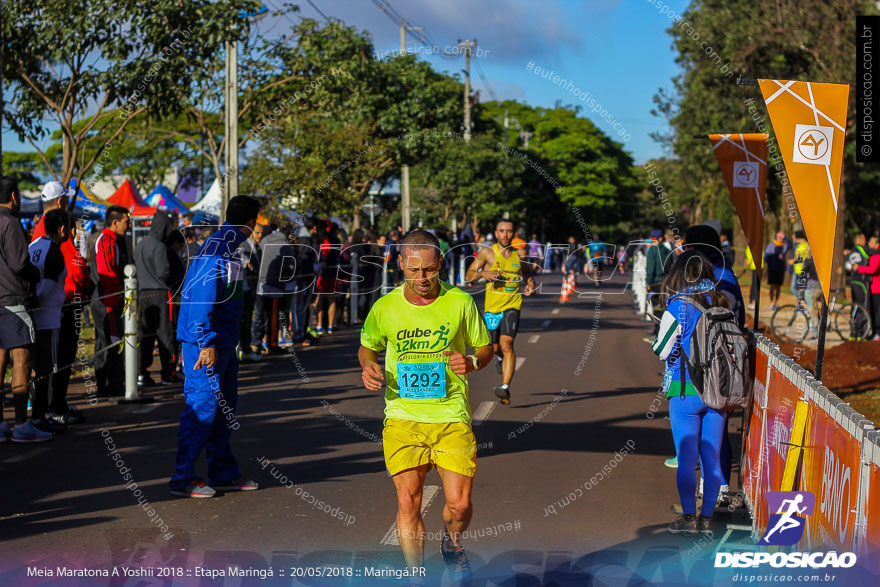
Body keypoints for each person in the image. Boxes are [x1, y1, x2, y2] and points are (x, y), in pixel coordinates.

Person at [358, 229, 493, 579]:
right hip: (403, 415)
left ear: (441, 264)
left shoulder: (460, 302)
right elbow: (368, 345)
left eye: (429, 270)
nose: (422, 278)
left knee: (459, 505)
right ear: (401, 263)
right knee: (408, 501)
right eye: (414, 270)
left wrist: (473, 362)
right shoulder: (385, 306)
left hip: (450, 415)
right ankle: (416, 575)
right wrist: (367, 364)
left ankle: (452, 541)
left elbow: (485, 348)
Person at [169, 195, 262, 498]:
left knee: (224, 412)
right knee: (202, 409)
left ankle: (222, 471)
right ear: (250, 222)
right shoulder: (218, 249)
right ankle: (182, 477)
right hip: (205, 344)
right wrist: (206, 341)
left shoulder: (230, 248)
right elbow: (201, 301)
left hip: (224, 344)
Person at [652, 249, 730, 536]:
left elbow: (662, 351)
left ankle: (687, 517)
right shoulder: (722, 302)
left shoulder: (677, 306)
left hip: (684, 389)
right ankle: (708, 518)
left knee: (686, 458)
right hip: (719, 390)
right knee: (712, 456)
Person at [31, 181, 90, 425]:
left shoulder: (39, 230)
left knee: (49, 361)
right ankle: (54, 409)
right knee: (58, 359)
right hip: (62, 304)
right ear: (60, 202)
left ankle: (52, 407)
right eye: (65, 200)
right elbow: (76, 270)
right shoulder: (57, 232)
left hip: (55, 304)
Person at [465, 220, 536, 405]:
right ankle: (498, 358)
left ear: (513, 234)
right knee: (495, 348)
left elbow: (527, 273)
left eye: (509, 231)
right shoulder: (487, 253)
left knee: (507, 345)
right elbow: (468, 275)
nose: (505, 235)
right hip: (492, 308)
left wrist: (530, 284)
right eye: (502, 231)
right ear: (496, 234)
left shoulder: (520, 255)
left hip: (512, 304)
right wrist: (483, 274)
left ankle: (504, 388)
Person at [0, 176, 47, 443]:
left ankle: (2, 425)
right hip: (13, 300)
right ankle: (20, 425)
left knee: (0, 362)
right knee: (22, 361)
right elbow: (20, 264)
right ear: (15, 197)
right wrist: (35, 274)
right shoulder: (11, 222)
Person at [28, 209, 71, 434]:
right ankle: (39, 416)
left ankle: (38, 414)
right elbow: (45, 288)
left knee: (37, 367)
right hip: (48, 315)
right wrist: (38, 302)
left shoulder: (33, 246)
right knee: (46, 369)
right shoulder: (55, 251)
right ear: (62, 228)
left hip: (33, 314)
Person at [135, 211, 184, 386]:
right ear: (163, 227)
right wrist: (175, 282)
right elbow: (164, 273)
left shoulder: (140, 245)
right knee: (167, 334)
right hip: (162, 293)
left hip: (143, 293)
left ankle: (142, 372)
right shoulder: (159, 246)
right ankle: (168, 373)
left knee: (145, 335)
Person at [89, 205, 130, 398]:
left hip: (109, 298)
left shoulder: (113, 239)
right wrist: (119, 292)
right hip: (108, 300)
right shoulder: (106, 239)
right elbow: (106, 273)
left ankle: (106, 384)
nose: (128, 225)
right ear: (115, 222)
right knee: (112, 343)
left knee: (106, 342)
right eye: (126, 221)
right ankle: (111, 384)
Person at [238, 223, 263, 361]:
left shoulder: (256, 246)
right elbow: (244, 268)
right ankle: (244, 349)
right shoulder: (243, 245)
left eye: (261, 233)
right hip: (242, 289)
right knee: (244, 320)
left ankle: (246, 347)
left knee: (247, 320)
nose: (260, 236)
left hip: (250, 289)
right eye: (257, 233)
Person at [644, 229, 674, 342]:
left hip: (655, 283)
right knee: (664, 309)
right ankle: (662, 332)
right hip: (666, 283)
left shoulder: (652, 250)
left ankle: (657, 335)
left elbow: (650, 268)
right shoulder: (667, 250)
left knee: (656, 310)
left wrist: (648, 282)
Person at [848, 233, 874, 340]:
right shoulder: (862, 249)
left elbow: (848, 266)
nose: (866, 241)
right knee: (864, 307)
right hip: (862, 282)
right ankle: (862, 333)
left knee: (855, 306)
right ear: (859, 240)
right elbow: (872, 252)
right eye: (864, 239)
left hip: (853, 282)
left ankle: (853, 333)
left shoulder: (850, 253)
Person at [856, 235, 880, 340]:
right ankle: (874, 332)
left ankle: (878, 333)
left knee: (877, 311)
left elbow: (873, 269)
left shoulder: (878, 254)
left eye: (871, 242)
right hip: (872, 287)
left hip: (878, 288)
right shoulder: (872, 253)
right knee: (872, 311)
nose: (868, 244)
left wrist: (859, 268)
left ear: (877, 244)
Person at [764, 231, 790, 312]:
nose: (780, 238)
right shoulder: (771, 245)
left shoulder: (784, 246)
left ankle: (777, 302)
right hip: (772, 269)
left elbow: (790, 244)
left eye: (781, 237)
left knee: (778, 287)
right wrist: (771, 263)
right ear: (776, 236)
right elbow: (766, 257)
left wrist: (784, 237)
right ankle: (772, 302)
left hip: (780, 269)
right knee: (772, 286)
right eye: (779, 236)